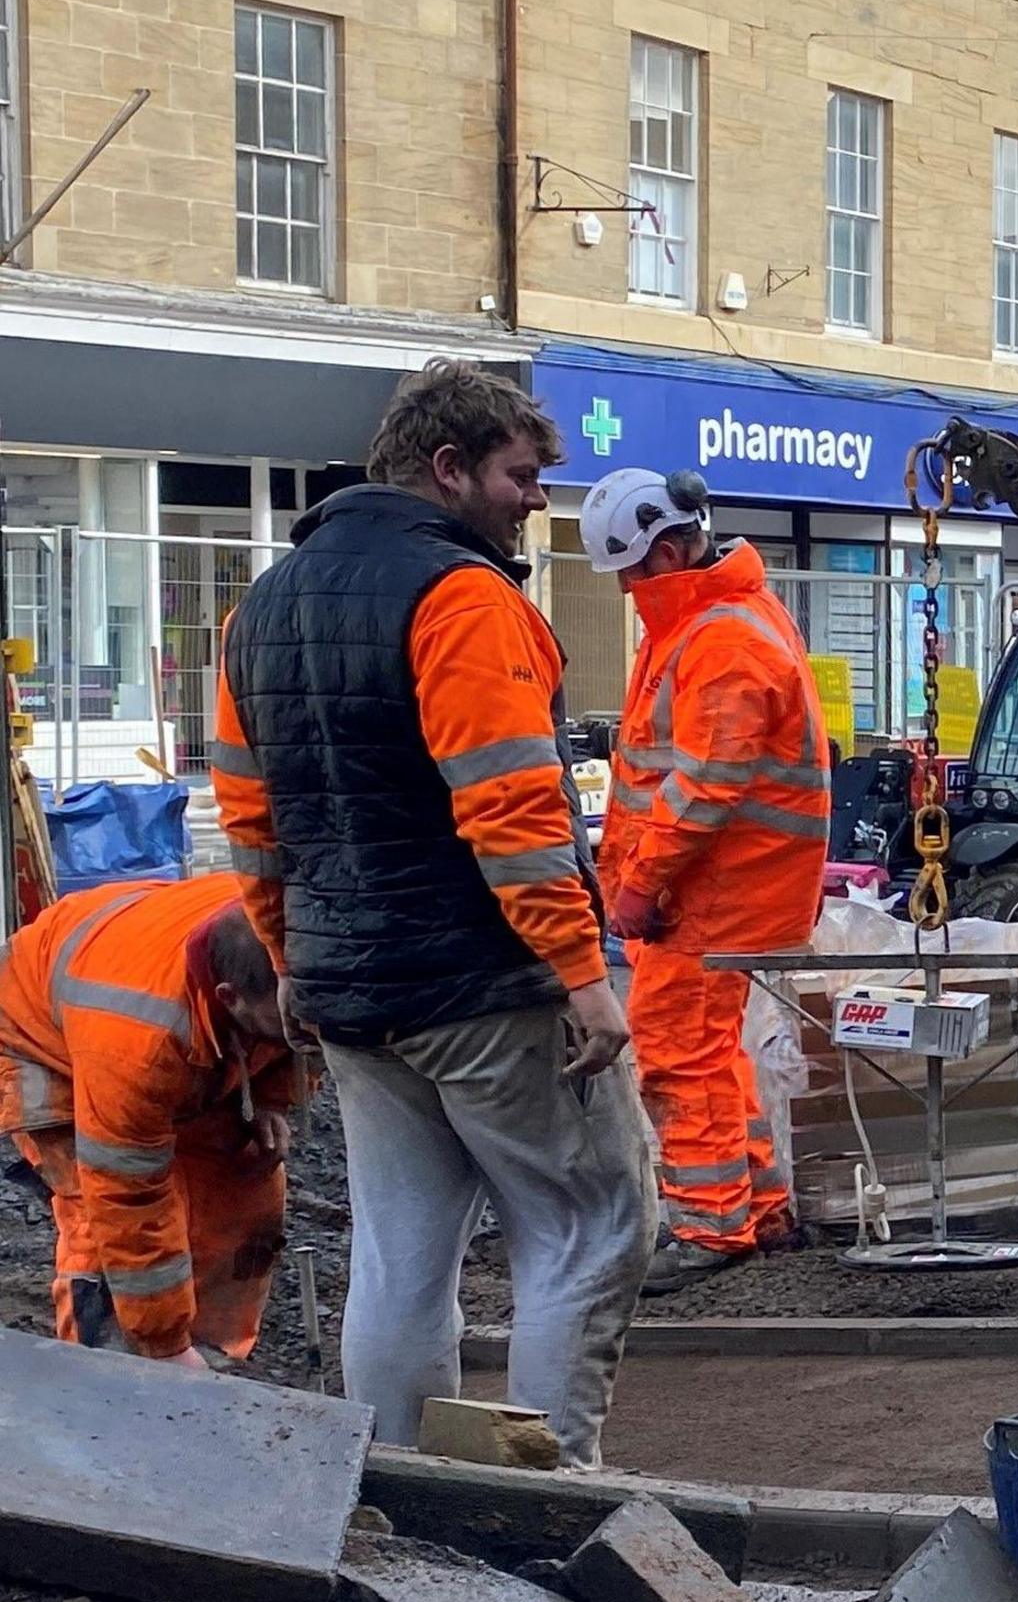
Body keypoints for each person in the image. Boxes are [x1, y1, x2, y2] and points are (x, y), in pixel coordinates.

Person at [209, 360, 654, 1466]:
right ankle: (544, 1497)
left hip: (354, 992)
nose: (535, 499)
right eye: (520, 474)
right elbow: (509, 804)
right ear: (449, 468)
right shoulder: (461, 596)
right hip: (486, 985)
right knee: (586, 1228)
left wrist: (287, 954)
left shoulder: (259, 607)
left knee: (402, 1259)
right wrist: (581, 973)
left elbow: (249, 813)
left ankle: (400, 1495)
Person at [579, 466, 829, 1296]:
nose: (624, 587)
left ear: (674, 547)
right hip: (725, 886)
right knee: (714, 1053)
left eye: (632, 568)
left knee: (678, 1052)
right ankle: (756, 1206)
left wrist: (642, 882)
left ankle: (708, 1224)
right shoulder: (708, 621)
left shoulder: (720, 635)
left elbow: (701, 786)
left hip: (717, 890)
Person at [0, 876, 304, 1364]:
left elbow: (305, 1029)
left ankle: (212, 1355)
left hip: (133, 986)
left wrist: (273, 1098)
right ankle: (109, 1374)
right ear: (228, 998)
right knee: (100, 1224)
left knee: (240, 1183)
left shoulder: (285, 925)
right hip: (38, 1039)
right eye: (285, 1025)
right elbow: (127, 1195)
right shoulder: (136, 1046)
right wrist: (162, 1345)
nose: (301, 1034)